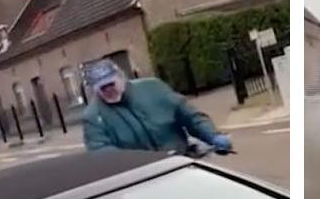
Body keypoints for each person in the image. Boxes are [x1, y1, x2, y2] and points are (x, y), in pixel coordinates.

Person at [81, 59, 232, 154]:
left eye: (110, 84)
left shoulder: (153, 88)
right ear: (95, 89)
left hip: (181, 163)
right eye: (102, 88)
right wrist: (146, 162)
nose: (108, 90)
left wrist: (211, 135)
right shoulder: (93, 117)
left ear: (121, 77)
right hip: (143, 180)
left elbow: (187, 114)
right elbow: (101, 152)